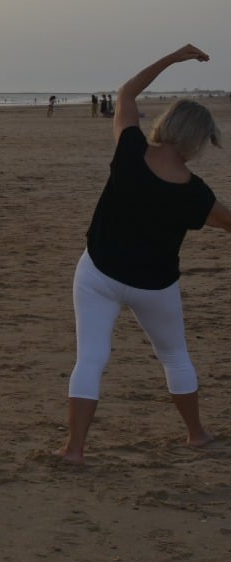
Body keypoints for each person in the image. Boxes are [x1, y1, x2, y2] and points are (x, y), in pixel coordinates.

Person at [60, 45, 230, 465]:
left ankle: (74, 449)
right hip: (154, 286)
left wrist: (174, 58)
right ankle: (197, 434)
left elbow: (126, 94)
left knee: (91, 358)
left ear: (166, 124)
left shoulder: (131, 150)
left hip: (98, 273)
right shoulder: (195, 194)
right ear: (198, 141)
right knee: (174, 356)